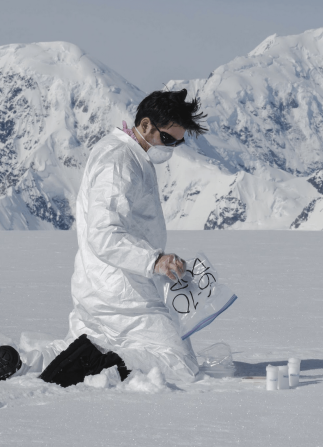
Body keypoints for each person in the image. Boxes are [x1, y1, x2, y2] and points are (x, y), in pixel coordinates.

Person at [43, 88, 208, 386]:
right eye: (167, 139)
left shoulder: (126, 154)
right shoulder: (119, 161)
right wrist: (154, 260)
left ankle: (15, 362)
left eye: (178, 142)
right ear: (145, 125)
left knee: (69, 349)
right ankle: (97, 367)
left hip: (103, 284)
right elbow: (104, 233)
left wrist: (161, 262)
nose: (171, 148)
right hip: (121, 294)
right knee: (179, 362)